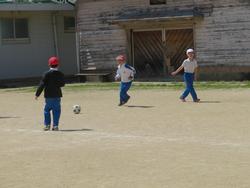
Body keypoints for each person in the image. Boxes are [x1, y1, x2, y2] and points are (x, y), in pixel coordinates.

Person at [35, 56, 65, 131]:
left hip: (48, 96)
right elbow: (62, 84)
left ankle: (47, 125)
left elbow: (42, 85)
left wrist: (37, 94)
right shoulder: (60, 74)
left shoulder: (46, 74)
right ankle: (55, 126)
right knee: (57, 111)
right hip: (57, 96)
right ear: (58, 65)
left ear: (49, 64)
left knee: (46, 110)